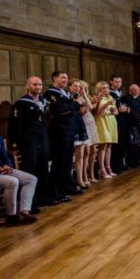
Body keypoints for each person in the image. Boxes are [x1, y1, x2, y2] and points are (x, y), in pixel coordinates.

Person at [9, 77, 56, 206]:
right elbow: (15, 125)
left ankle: (43, 197)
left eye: (40, 85)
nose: (38, 87)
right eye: (35, 84)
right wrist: (13, 145)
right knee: (30, 170)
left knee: (43, 169)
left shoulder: (44, 102)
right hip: (29, 142)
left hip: (43, 140)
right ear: (28, 86)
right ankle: (29, 203)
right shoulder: (21, 103)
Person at [46, 71, 82, 199]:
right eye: (62, 78)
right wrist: (75, 104)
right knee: (60, 162)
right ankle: (58, 191)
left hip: (68, 131)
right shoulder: (51, 93)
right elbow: (60, 110)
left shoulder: (64, 93)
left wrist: (71, 106)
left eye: (66, 78)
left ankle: (68, 187)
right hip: (59, 132)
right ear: (54, 78)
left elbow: (67, 108)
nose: (65, 80)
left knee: (67, 162)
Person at [68, 78, 90, 190]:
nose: (77, 88)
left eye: (79, 86)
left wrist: (84, 94)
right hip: (70, 125)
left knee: (80, 155)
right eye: (75, 86)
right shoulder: (67, 98)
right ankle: (72, 179)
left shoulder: (79, 98)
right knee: (71, 156)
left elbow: (89, 106)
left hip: (79, 124)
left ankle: (80, 179)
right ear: (69, 87)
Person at [94, 81, 118, 178]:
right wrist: (107, 104)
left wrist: (114, 110)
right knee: (103, 146)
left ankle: (108, 167)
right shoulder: (96, 98)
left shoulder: (110, 97)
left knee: (109, 145)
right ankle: (102, 169)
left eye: (107, 87)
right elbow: (97, 112)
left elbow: (116, 111)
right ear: (99, 89)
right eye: (103, 88)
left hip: (110, 120)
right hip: (101, 121)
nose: (105, 89)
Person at [121, 84, 140, 168]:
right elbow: (131, 112)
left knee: (138, 143)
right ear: (130, 90)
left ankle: (138, 160)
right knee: (133, 143)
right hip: (131, 123)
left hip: (139, 123)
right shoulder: (127, 98)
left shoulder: (138, 99)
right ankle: (131, 162)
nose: (137, 92)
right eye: (135, 90)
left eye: (138, 90)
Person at [80, 80, 99, 185]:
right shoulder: (78, 98)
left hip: (92, 125)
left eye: (86, 88)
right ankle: (84, 176)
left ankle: (92, 175)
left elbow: (93, 109)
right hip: (84, 126)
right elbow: (87, 108)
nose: (85, 90)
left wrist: (96, 102)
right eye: (83, 88)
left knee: (93, 152)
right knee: (86, 154)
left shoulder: (88, 97)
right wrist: (91, 103)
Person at [109, 75, 129, 173]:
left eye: (120, 81)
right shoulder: (110, 93)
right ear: (111, 82)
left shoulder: (120, 93)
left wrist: (127, 108)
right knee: (116, 143)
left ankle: (121, 163)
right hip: (114, 119)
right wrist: (119, 108)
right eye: (116, 81)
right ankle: (115, 165)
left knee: (122, 142)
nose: (118, 83)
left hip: (123, 119)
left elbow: (123, 105)